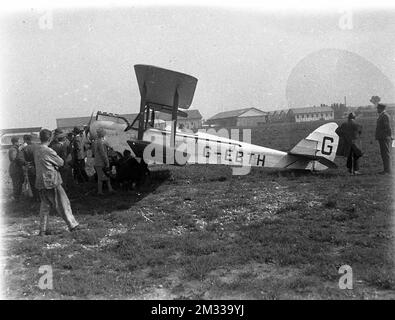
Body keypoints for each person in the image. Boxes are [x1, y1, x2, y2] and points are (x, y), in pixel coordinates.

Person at [33, 129, 79, 235]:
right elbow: (61, 162)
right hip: (51, 180)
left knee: (44, 207)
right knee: (63, 203)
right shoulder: (48, 150)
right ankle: (73, 225)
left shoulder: (36, 149)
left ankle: (42, 230)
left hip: (40, 181)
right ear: (50, 138)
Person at [93, 128, 114, 195]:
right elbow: (103, 153)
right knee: (101, 178)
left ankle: (110, 189)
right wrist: (107, 161)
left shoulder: (97, 141)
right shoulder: (100, 142)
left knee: (106, 176)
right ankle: (100, 191)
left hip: (98, 161)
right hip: (101, 161)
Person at [18, 135, 39, 201]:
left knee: (33, 182)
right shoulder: (37, 146)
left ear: (25, 140)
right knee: (39, 182)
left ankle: (36, 197)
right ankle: (41, 197)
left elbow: (20, 158)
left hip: (31, 167)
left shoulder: (24, 148)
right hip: (39, 166)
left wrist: (25, 163)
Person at [375, 103, 393, 174]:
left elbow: (388, 127)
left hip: (384, 137)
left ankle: (388, 170)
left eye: (378, 108)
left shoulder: (385, 116)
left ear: (381, 109)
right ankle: (386, 169)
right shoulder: (382, 115)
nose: (377, 110)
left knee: (386, 154)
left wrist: (390, 135)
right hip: (382, 137)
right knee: (384, 154)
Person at [8, 137, 24, 201]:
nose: (19, 143)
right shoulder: (13, 149)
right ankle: (16, 198)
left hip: (16, 168)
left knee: (19, 183)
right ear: (16, 142)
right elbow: (13, 158)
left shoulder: (15, 149)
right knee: (17, 184)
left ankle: (17, 197)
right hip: (15, 169)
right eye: (19, 141)